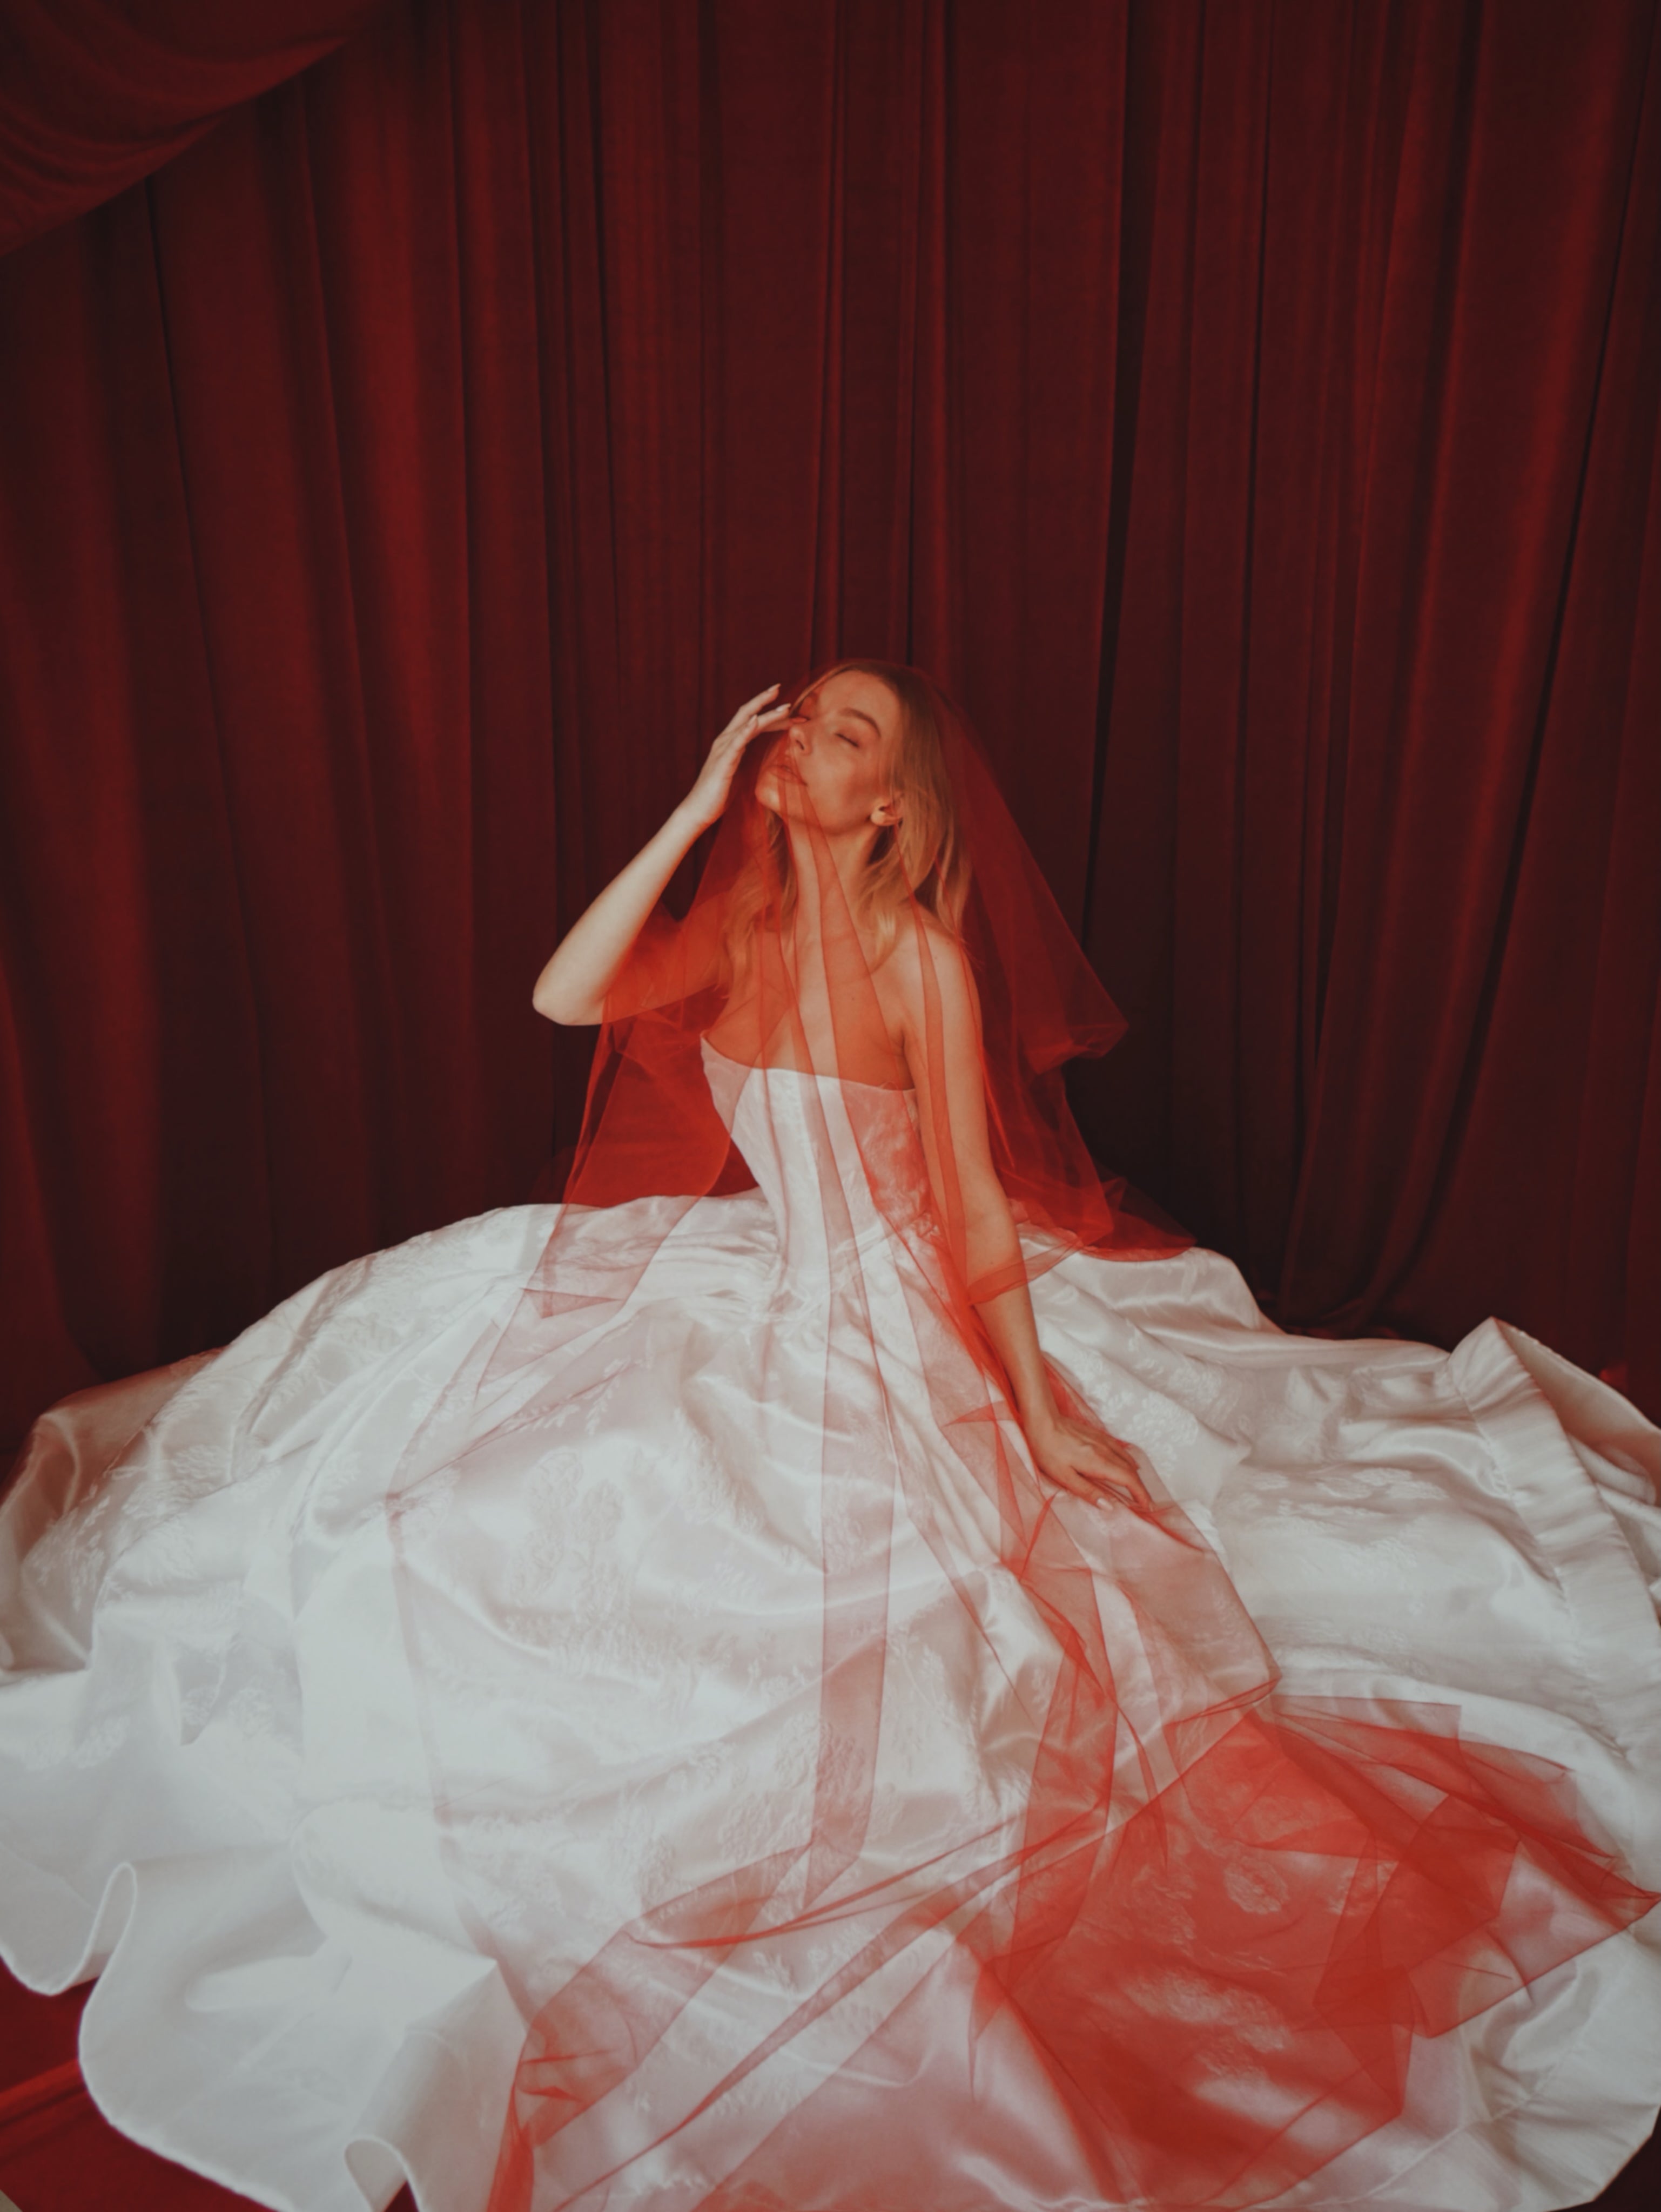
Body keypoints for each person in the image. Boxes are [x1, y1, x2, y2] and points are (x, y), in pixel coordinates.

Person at [2, 662, 1658, 2212]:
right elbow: (562, 989)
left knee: (905, 1626)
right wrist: (698, 791)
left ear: (892, 807)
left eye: (846, 734)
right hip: (743, 1280)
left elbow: (971, 1216)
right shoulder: (726, 919)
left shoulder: (919, 962)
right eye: (799, 718)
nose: (804, 738)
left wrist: (1033, 1409)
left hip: (885, 1319)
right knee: (436, 1500)